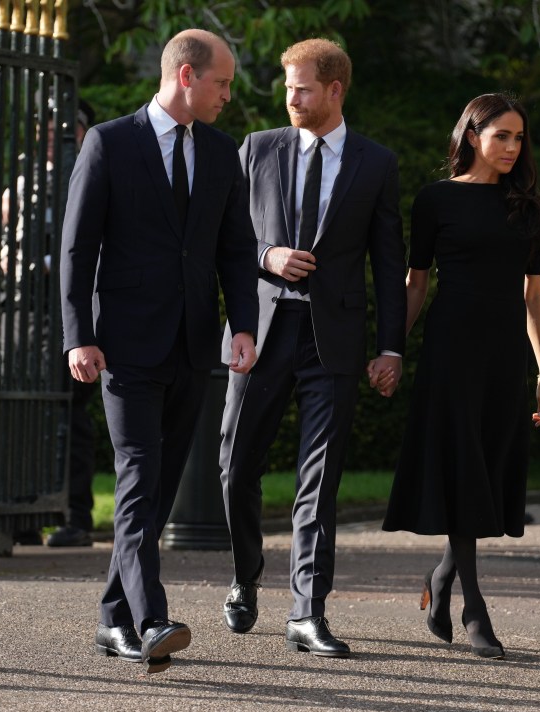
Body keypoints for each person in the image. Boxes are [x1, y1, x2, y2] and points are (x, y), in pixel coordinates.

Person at [60, 28, 259, 673]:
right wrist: (78, 335)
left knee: (159, 488)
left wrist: (243, 325)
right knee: (140, 477)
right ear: (186, 77)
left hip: (193, 343)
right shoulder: (109, 143)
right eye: (221, 83)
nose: (228, 94)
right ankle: (151, 619)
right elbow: (77, 247)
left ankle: (112, 619)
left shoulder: (224, 153)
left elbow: (234, 248)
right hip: (123, 344)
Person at [218, 38, 406, 659]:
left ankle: (307, 610)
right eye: (287, 87)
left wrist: (391, 348)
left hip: (335, 339)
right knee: (236, 464)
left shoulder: (376, 164)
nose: (290, 97)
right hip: (262, 330)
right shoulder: (258, 148)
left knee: (319, 478)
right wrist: (267, 256)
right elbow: (228, 237)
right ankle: (246, 577)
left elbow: (388, 260)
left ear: (334, 90)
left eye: (301, 88)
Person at [383, 93, 540, 660]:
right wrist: (391, 350)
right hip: (450, 351)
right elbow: (416, 282)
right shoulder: (435, 200)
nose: (511, 146)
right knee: (464, 470)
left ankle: (440, 577)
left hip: (505, 356)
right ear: (472, 135)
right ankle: (474, 605)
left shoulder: (527, 208)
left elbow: (534, 295)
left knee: (486, 469)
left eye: (518, 137)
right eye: (501, 135)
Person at [0, 99, 100, 548]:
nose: (55, 135)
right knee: (22, 411)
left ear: (85, 132)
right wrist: (13, 260)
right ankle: (24, 511)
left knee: (68, 412)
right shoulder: (27, 179)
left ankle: (76, 516)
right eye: (48, 127)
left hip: (68, 311)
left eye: (67, 128)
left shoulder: (91, 173)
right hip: (19, 307)